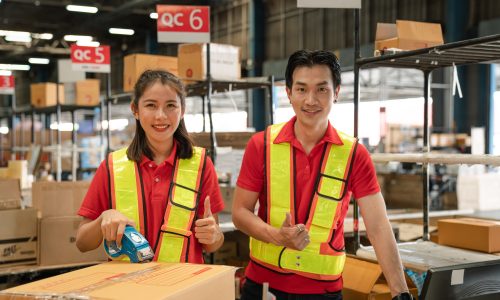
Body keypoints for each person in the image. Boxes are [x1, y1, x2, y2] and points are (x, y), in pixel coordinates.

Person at [232, 50, 413, 300]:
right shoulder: (261, 145)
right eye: (301, 89)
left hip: (323, 292)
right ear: (288, 92)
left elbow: (379, 227)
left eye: (321, 89)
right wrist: (277, 236)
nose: (311, 100)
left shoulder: (354, 155)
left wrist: (400, 292)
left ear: (336, 92)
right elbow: (240, 213)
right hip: (263, 286)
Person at [76, 69, 224, 263]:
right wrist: (104, 218)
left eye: (171, 105)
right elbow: (82, 243)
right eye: (151, 105)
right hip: (130, 289)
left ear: (183, 111)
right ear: (135, 110)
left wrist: (213, 236)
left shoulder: (201, 165)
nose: (161, 116)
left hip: (183, 288)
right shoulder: (112, 167)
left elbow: (214, 243)